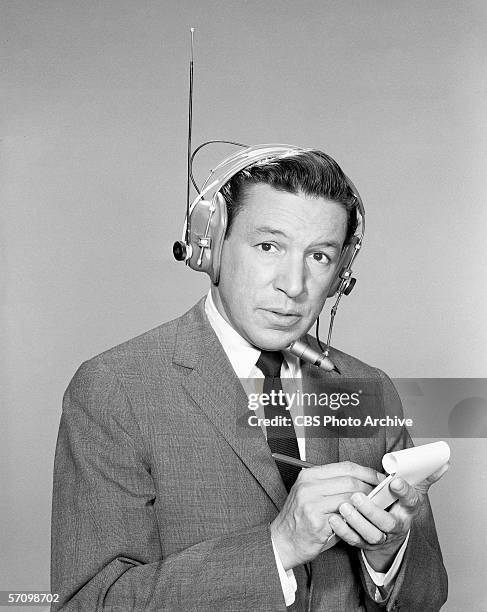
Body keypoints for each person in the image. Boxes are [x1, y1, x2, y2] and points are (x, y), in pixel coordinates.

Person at [51, 147, 448, 611]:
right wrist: (277, 548)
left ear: (340, 274)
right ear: (211, 247)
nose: (294, 285)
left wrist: (387, 553)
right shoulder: (114, 389)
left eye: (319, 256)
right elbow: (87, 604)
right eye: (268, 246)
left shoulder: (369, 388)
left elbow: (429, 596)